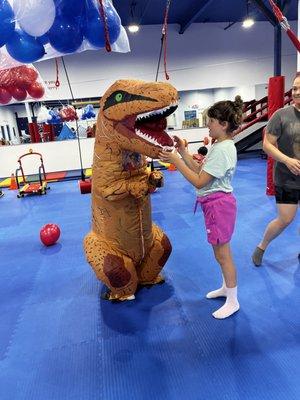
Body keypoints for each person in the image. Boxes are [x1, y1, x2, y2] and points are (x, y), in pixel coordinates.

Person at [159, 96, 243, 319]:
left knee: (223, 254)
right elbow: (200, 170)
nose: (208, 125)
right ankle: (227, 288)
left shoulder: (224, 149)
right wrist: (184, 152)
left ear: (223, 125)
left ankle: (233, 300)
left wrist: (175, 160)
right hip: (214, 205)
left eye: (211, 121)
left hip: (219, 206)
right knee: (219, 252)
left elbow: (198, 181)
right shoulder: (219, 146)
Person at [252, 74, 300, 266]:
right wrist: (287, 160)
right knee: (285, 219)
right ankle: (261, 246)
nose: (296, 92)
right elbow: (267, 145)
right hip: (286, 177)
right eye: (295, 88)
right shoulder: (281, 115)